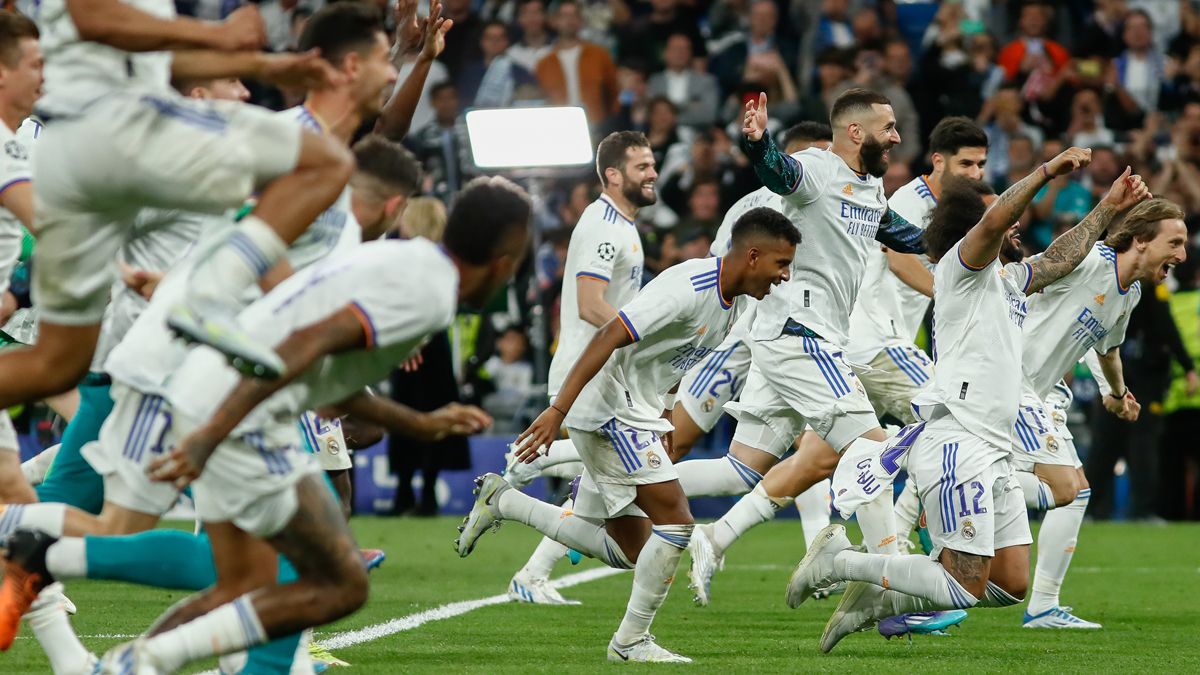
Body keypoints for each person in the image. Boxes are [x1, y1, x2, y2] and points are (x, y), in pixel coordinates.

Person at [0, 176, 530, 673]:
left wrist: (415, 422)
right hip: (239, 406)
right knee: (332, 581)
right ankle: (46, 554)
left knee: (248, 582)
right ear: (505, 259)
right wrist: (210, 434)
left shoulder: (408, 260)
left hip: (229, 394)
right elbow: (301, 346)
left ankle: (122, 648)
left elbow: (321, 368)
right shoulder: (429, 294)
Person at [785, 146, 1149, 653]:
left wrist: (1109, 208)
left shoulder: (1007, 280)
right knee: (960, 587)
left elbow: (1063, 257)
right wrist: (1045, 171)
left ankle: (876, 599)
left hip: (993, 447)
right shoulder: (961, 268)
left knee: (1010, 584)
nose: (1015, 229)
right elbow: (1000, 218)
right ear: (978, 229)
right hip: (960, 439)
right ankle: (838, 563)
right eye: (1001, 220)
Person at [456, 206, 800, 663]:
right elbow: (608, 334)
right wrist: (557, 409)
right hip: (608, 404)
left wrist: (668, 415)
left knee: (631, 551)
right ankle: (629, 644)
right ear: (753, 256)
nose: (785, 276)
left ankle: (505, 500)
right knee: (676, 523)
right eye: (781, 264)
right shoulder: (689, 286)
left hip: (638, 410)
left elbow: (673, 360)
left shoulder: (734, 305)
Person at [17, 0, 354, 394]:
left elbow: (147, 58)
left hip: (70, 146)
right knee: (324, 161)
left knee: (56, 366)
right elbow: (93, 17)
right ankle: (210, 297)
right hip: (119, 126)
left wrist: (265, 67)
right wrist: (219, 34)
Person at [498, 130, 654, 605]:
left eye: (652, 164)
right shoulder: (605, 225)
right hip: (591, 376)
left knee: (596, 492)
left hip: (607, 374)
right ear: (612, 175)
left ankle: (531, 571)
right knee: (642, 528)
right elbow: (590, 305)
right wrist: (647, 339)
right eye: (642, 167)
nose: (652, 173)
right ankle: (516, 479)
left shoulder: (621, 224)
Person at [1016, 199, 1187, 630]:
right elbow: (1029, 274)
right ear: (1142, 240)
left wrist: (1118, 392)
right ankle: (953, 484)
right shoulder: (1090, 260)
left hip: (1039, 394)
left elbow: (1106, 348)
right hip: (1006, 385)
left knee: (1075, 493)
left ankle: (1041, 607)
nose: (1182, 255)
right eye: (1175, 242)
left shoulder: (1130, 293)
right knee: (1068, 491)